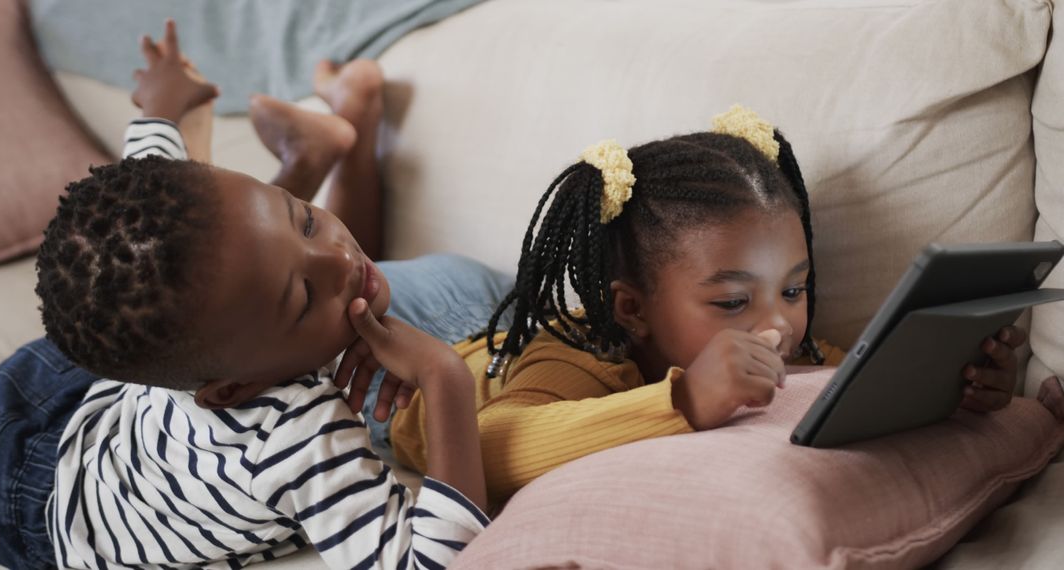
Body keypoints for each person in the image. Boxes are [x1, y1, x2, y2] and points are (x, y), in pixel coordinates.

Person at [0, 20, 498, 569]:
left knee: (203, 269)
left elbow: (144, 203)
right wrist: (445, 379)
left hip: (87, 387)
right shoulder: (295, 438)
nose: (343, 258)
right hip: (29, 495)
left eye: (303, 220)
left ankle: (304, 167)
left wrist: (160, 108)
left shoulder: (180, 321)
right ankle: (302, 172)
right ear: (233, 390)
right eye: (302, 298)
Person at [387, 105, 1036, 504]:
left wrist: (970, 389)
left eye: (793, 289)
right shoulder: (575, 357)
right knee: (315, 296)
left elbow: (854, 383)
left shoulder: (792, 346)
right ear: (633, 310)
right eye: (732, 301)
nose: (778, 324)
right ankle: (342, 145)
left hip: (496, 309)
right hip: (429, 336)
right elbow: (493, 445)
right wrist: (685, 399)